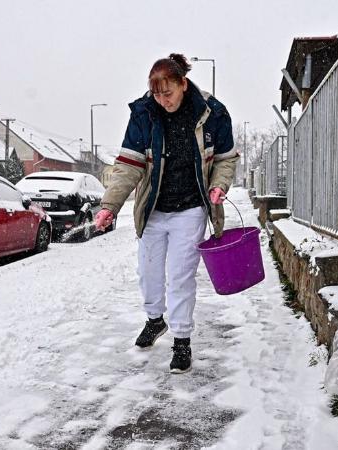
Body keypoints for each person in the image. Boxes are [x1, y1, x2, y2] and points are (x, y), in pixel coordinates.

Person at [94, 53, 239, 374]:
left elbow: (226, 158)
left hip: (191, 207)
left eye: (168, 93)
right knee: (148, 272)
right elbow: (128, 165)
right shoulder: (144, 114)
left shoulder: (212, 113)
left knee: (180, 275)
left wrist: (219, 185)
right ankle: (155, 319)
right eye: (157, 95)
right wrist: (109, 206)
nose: (163, 101)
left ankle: (182, 339)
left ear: (183, 84)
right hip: (154, 208)